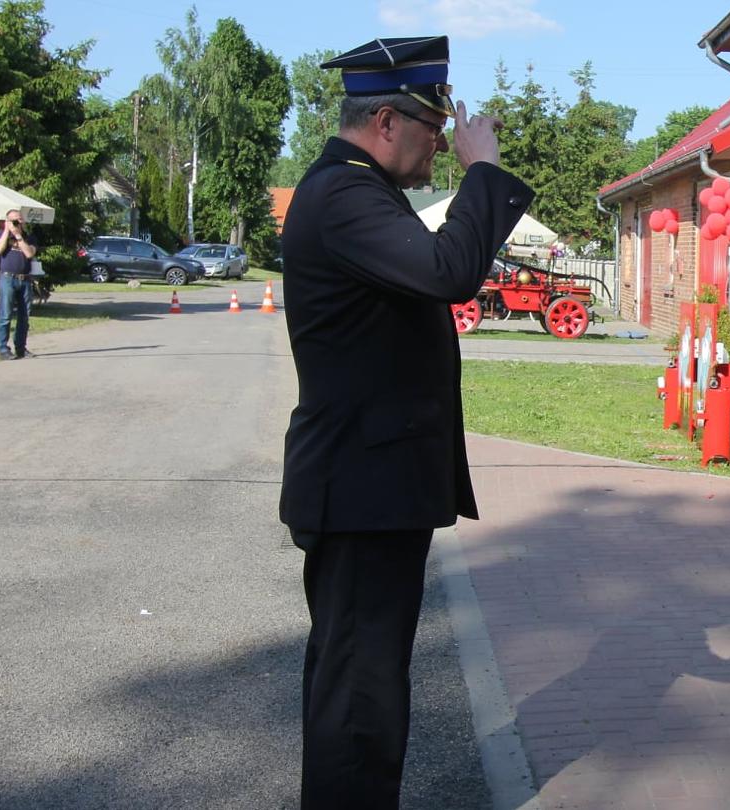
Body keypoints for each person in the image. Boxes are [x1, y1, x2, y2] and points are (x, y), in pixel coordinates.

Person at [278, 35, 533, 809]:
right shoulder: (344, 194)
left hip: (373, 483)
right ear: (386, 121)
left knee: (365, 685)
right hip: (362, 485)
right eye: (433, 127)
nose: (441, 147)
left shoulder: (357, 191)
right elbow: (448, 272)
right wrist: (483, 167)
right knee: (359, 698)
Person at [0, 211, 36, 360]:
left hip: (25, 279)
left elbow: (29, 254)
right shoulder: (1, 234)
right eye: (14, 220)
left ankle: (21, 348)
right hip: (7, 278)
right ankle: (3, 349)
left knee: (24, 316)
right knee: (5, 315)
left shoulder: (29, 237)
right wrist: (6, 230)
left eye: (20, 219)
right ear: (7, 221)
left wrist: (18, 236)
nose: (18, 222)